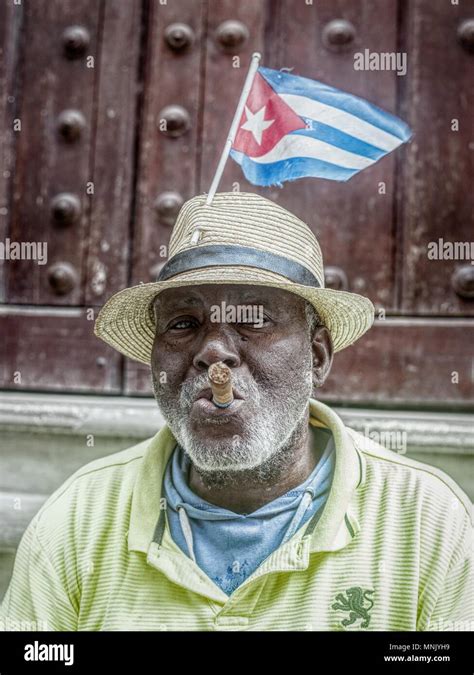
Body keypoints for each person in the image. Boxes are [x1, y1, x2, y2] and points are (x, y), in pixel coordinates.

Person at [1, 192, 472, 631]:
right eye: (184, 324)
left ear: (317, 356)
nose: (214, 353)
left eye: (255, 321)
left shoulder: (428, 522)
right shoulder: (77, 519)